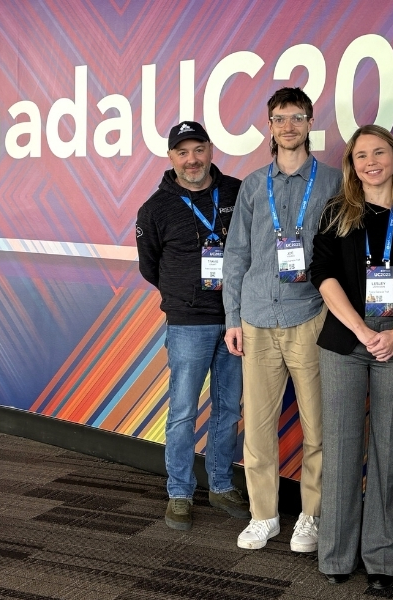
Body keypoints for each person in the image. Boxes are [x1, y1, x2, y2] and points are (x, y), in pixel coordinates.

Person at [222, 87, 342, 551]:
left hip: (309, 316)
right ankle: (264, 515)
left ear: (310, 123)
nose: (288, 126)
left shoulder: (333, 181)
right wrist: (233, 316)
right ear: (269, 127)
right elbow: (235, 254)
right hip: (255, 318)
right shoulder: (253, 185)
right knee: (257, 429)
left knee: (318, 427)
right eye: (279, 118)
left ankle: (310, 516)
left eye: (296, 117)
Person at [309, 125, 393, 589]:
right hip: (344, 345)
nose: (370, 161)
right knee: (340, 449)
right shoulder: (338, 213)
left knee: (391, 452)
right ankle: (335, 556)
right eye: (361, 155)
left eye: (379, 152)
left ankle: (382, 560)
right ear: (351, 165)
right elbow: (323, 273)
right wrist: (361, 329)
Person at [136, 120, 251, 531]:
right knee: (183, 411)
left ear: (210, 150)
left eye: (198, 149)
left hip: (236, 320)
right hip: (188, 323)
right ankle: (180, 493)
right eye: (182, 152)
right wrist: (183, 294)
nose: (192, 159)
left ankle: (220, 484)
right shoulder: (155, 208)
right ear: (171, 157)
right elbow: (151, 267)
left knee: (228, 408)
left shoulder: (238, 193)